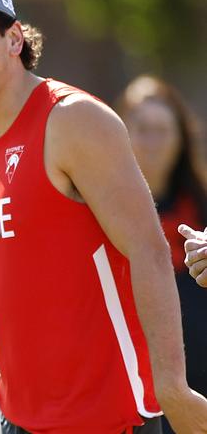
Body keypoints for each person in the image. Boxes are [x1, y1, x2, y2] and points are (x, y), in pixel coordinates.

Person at [0, 0, 207, 434]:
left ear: (14, 39)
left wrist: (172, 387)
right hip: (18, 418)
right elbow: (21, 270)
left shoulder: (72, 121)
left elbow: (149, 251)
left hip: (107, 419)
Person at [115, 75, 207, 433]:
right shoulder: (98, 211)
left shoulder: (201, 206)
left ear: (180, 138)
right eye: (141, 129)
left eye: (162, 130)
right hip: (132, 390)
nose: (152, 143)